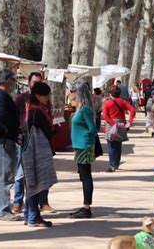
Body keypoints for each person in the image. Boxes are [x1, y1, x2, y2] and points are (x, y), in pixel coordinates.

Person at [13, 72, 55, 214]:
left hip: (41, 144)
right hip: (25, 142)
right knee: (22, 174)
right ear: (29, 83)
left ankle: (43, 202)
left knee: (41, 174)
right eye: (34, 82)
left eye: (39, 82)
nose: (36, 84)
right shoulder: (22, 99)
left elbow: (49, 118)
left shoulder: (45, 102)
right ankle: (18, 202)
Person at [0, 69, 22, 221]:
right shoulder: (1, 96)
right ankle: (2, 209)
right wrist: (14, 125)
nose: (14, 84)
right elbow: (1, 114)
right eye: (13, 81)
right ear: (8, 81)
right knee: (4, 177)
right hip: (3, 140)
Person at [22, 82, 57, 227]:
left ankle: (29, 215)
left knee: (31, 183)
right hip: (36, 152)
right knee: (35, 182)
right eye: (46, 95)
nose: (48, 98)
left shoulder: (31, 108)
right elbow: (46, 131)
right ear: (38, 95)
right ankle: (33, 217)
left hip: (31, 151)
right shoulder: (36, 111)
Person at [69, 81, 98, 219]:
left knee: (86, 176)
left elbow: (92, 128)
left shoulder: (85, 109)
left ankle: (86, 207)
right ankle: (85, 206)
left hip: (84, 146)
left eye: (72, 90)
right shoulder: (80, 108)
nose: (70, 93)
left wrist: (85, 139)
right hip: (79, 145)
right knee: (83, 175)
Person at [103, 85, 136, 172]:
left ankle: (112, 165)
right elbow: (132, 110)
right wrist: (130, 121)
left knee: (111, 145)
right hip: (122, 123)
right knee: (118, 144)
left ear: (110, 94)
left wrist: (114, 123)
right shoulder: (123, 101)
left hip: (111, 124)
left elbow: (105, 116)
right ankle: (116, 163)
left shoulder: (107, 103)